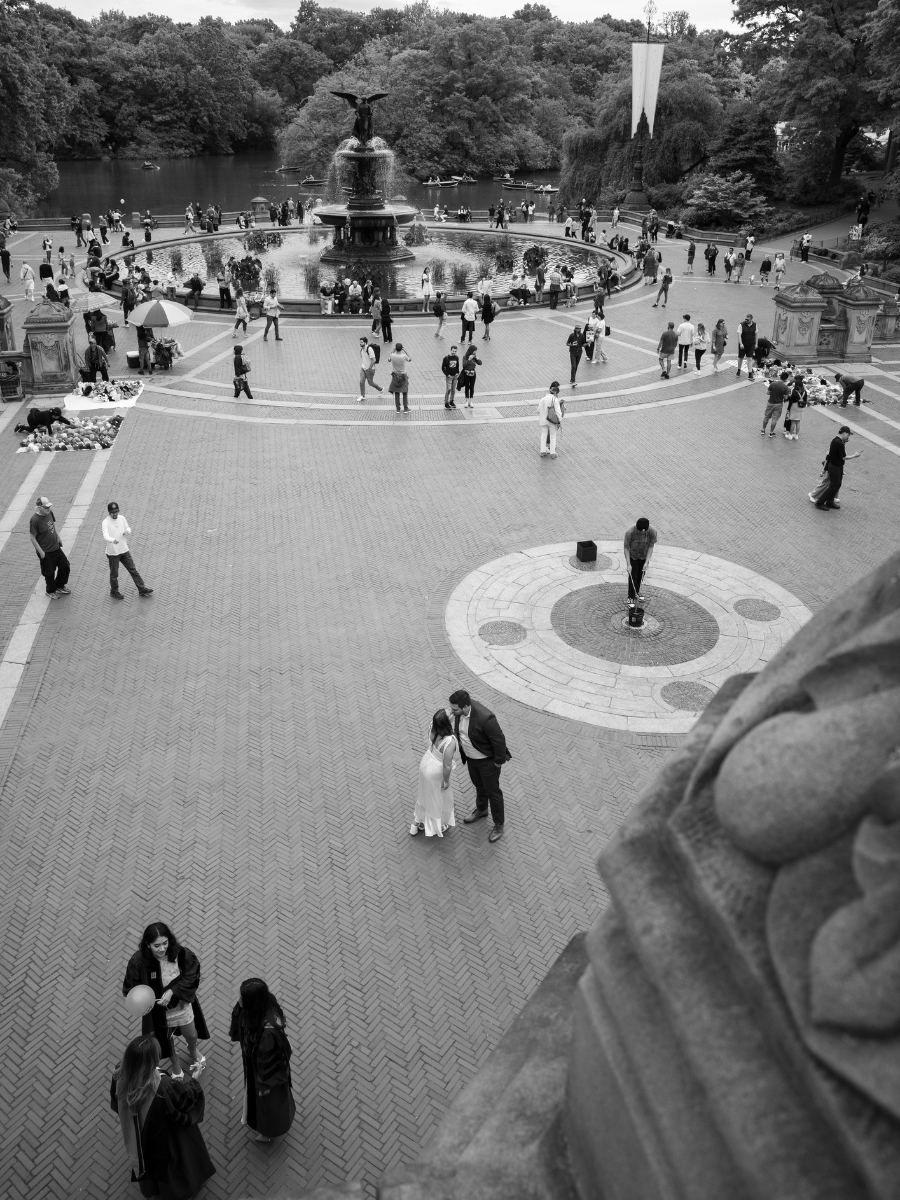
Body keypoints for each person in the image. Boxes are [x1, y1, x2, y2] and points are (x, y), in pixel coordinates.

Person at [111, 1035, 215, 1199]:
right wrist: (194, 1079)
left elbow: (117, 1104)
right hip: (166, 1137)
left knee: (147, 1158)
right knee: (174, 1163)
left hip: (139, 1132)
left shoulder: (119, 1074)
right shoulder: (162, 1085)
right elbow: (185, 1102)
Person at [122, 922, 209, 1081]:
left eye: (165, 943)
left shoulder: (181, 955)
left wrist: (172, 991)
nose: (162, 949)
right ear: (147, 945)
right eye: (156, 945)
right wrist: (145, 997)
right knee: (164, 1039)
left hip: (180, 1006)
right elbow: (131, 988)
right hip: (156, 1012)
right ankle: (174, 1062)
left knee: (191, 1033)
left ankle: (192, 1048)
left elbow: (192, 975)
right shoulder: (139, 961)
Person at [229, 979, 295, 1142]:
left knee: (268, 1105)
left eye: (243, 998)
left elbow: (269, 1063)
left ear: (253, 1002)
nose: (239, 1000)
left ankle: (269, 1132)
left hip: (266, 1077)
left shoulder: (268, 1034)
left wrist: (264, 1085)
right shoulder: (257, 1009)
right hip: (255, 1066)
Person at [450, 688, 511, 843]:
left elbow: (499, 741)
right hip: (472, 759)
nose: (452, 712)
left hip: (487, 762)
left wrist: (497, 762)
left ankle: (498, 824)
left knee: (493, 792)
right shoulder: (460, 713)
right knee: (478, 785)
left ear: (465, 707)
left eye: (454, 709)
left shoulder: (485, 718)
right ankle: (482, 809)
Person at [410, 709, 457, 837]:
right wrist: (446, 780)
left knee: (424, 794)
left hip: (426, 762)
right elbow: (447, 765)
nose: (453, 713)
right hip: (436, 771)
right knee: (438, 797)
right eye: (450, 714)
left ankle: (417, 822)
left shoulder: (432, 726)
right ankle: (438, 825)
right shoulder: (449, 741)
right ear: (446, 722)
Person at [102, 502, 153, 599]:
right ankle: (114, 591)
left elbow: (128, 528)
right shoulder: (105, 522)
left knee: (133, 570)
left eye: (116, 512)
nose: (115, 514)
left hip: (124, 550)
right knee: (114, 574)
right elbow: (105, 536)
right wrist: (112, 540)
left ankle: (142, 589)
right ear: (109, 512)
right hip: (113, 553)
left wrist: (127, 531)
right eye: (113, 512)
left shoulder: (122, 518)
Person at [30, 496, 71, 599]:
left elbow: (52, 526)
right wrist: (41, 552)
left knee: (65, 566)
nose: (48, 509)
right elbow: (32, 537)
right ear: (39, 508)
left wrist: (58, 537)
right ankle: (50, 591)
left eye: (49, 507)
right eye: (46, 508)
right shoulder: (34, 520)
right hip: (46, 551)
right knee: (49, 572)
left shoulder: (49, 513)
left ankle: (60, 585)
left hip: (56, 547)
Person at [811, 426, 861, 510]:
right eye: (848, 435)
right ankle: (820, 502)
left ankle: (830, 501)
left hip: (836, 466)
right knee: (833, 486)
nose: (848, 437)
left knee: (837, 485)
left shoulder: (835, 440)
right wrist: (855, 456)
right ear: (844, 433)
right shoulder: (839, 443)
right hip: (835, 467)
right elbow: (843, 457)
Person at [624, 517, 657, 602]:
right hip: (633, 557)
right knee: (633, 577)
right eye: (640, 531)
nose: (642, 533)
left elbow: (651, 546)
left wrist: (647, 561)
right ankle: (630, 597)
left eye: (644, 531)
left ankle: (636, 592)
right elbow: (626, 548)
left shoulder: (652, 531)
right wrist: (628, 564)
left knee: (640, 576)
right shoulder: (630, 532)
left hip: (644, 557)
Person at [760, 370, 791, 437]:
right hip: (778, 404)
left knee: (766, 417)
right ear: (786, 379)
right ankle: (771, 432)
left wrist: (773, 393)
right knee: (774, 419)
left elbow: (768, 393)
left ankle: (763, 430)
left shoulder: (773, 384)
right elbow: (786, 398)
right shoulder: (786, 388)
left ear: (780, 377)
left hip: (770, 403)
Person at [538, 380, 563, 458]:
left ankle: (542, 451)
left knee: (543, 435)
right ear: (556, 392)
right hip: (552, 420)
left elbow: (538, 410)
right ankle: (552, 452)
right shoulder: (554, 400)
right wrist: (559, 421)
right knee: (553, 436)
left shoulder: (543, 399)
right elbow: (558, 412)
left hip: (543, 420)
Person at [357, 336, 383, 403]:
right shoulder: (362, 349)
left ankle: (380, 389)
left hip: (370, 369)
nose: (360, 343)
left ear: (365, 342)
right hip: (363, 368)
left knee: (370, 383)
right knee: (361, 382)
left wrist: (369, 368)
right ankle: (362, 395)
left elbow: (373, 360)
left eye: (361, 342)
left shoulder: (369, 349)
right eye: (360, 342)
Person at [389, 342, 411, 413]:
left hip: (395, 376)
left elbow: (389, 359)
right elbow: (410, 359)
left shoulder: (392, 355)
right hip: (403, 376)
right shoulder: (403, 356)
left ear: (396, 348)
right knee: (404, 392)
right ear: (401, 348)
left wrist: (393, 350)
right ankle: (405, 408)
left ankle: (398, 408)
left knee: (397, 392)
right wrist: (405, 350)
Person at [736, 314, 757, 378]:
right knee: (740, 358)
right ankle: (739, 370)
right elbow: (739, 334)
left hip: (751, 344)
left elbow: (756, 334)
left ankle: (750, 373)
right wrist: (741, 343)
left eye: (748, 320)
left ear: (751, 319)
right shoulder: (741, 325)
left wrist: (756, 344)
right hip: (743, 344)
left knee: (750, 358)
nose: (746, 320)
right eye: (745, 319)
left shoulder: (755, 325)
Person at [442, 345, 460, 409]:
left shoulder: (457, 358)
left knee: (453, 390)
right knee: (448, 389)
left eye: (455, 351)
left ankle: (451, 401)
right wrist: (447, 374)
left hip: (455, 376)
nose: (454, 352)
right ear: (450, 350)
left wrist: (457, 373)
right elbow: (443, 368)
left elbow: (457, 366)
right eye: (453, 351)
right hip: (449, 376)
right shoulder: (446, 358)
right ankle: (446, 402)